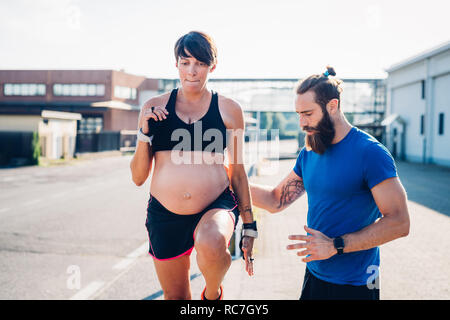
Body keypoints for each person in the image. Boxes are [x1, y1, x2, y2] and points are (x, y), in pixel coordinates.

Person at [249, 67, 410, 300]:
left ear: (332, 106)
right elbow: (275, 201)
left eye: (308, 114)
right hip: (315, 275)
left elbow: (400, 222)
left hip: (358, 283)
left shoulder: (370, 153)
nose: (301, 123)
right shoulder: (310, 151)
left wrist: (336, 245)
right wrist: (228, 179)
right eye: (298, 114)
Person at [130, 31, 257, 300]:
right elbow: (138, 177)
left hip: (215, 205)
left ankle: (212, 295)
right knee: (176, 297)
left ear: (212, 66)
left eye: (200, 63)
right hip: (165, 213)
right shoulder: (154, 108)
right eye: (185, 62)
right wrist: (144, 132)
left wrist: (249, 225)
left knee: (211, 242)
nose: (192, 71)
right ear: (176, 64)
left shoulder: (228, 110)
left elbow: (237, 172)